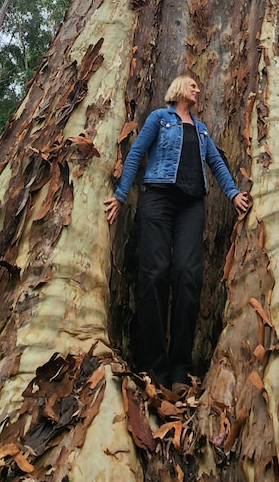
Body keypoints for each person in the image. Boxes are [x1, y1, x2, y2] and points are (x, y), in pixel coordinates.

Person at [103, 75, 250, 391]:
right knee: (155, 274)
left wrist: (233, 193)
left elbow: (217, 164)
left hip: (191, 206)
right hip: (157, 197)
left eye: (199, 84)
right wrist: (119, 194)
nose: (198, 88)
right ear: (179, 89)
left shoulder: (201, 129)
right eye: (193, 84)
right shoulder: (159, 118)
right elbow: (136, 154)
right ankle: (153, 367)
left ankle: (180, 369)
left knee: (187, 275)